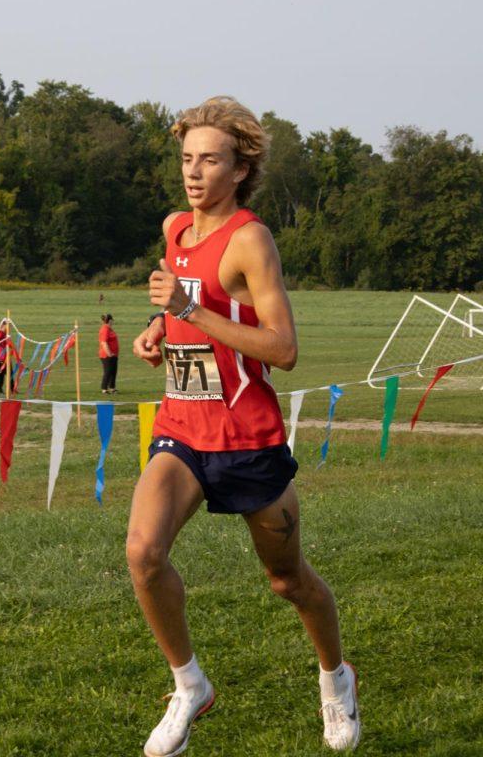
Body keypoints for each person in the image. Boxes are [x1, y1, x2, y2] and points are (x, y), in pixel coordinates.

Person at [130, 97, 359, 755]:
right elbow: (181, 306)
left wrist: (188, 313)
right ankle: (189, 685)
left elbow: (283, 349)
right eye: (186, 159)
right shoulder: (176, 229)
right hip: (182, 428)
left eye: (210, 160)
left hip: (246, 438)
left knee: (288, 580)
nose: (194, 173)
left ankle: (335, 677)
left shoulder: (251, 240)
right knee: (144, 554)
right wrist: (156, 330)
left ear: (241, 168)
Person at [0, 319, 17, 394]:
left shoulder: (5, 334)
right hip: (1, 357)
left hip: (6, 357)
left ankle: (12, 389)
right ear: (4, 325)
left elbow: (8, 344)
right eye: (8, 326)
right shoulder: (0, 333)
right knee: (1, 374)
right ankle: (0, 389)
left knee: (10, 373)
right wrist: (2, 332)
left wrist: (9, 341)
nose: (9, 327)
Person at [98, 314, 119, 394]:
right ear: (110, 320)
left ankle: (112, 388)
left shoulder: (109, 329)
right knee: (108, 371)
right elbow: (104, 343)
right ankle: (104, 388)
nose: (113, 321)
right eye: (112, 319)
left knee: (113, 371)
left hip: (113, 355)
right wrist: (109, 353)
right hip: (106, 355)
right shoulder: (105, 329)